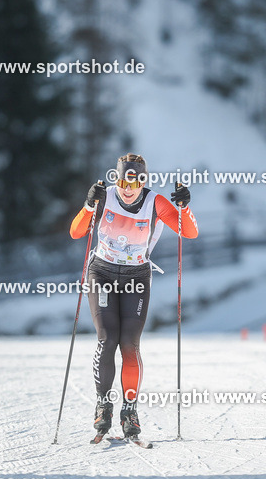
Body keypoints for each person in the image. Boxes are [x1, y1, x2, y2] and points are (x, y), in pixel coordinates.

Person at [69, 153, 198, 440]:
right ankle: (103, 404)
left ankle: (130, 409)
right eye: (124, 179)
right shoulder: (105, 198)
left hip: (136, 277)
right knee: (107, 338)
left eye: (137, 180)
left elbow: (189, 233)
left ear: (144, 181)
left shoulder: (156, 203)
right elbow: (76, 232)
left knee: (129, 343)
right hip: (101, 272)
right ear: (117, 178)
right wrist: (89, 205)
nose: (129, 187)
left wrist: (184, 208)